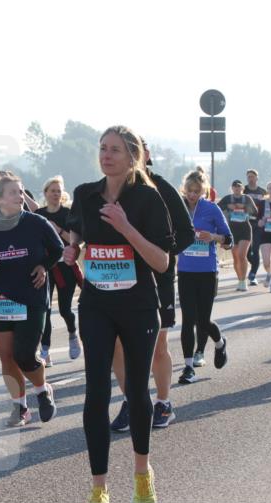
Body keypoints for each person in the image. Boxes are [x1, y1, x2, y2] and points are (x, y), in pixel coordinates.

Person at [63, 125, 173, 503]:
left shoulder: (147, 198)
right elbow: (77, 231)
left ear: (132, 157)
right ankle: (99, 491)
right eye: (102, 148)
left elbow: (161, 262)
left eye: (114, 150)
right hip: (96, 304)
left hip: (138, 306)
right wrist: (73, 248)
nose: (106, 156)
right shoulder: (85, 194)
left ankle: (142, 476)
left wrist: (126, 227)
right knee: (95, 392)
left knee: (137, 392)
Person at [0, 174, 63, 425]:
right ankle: (20, 407)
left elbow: (58, 249)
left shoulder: (37, 223)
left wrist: (43, 265)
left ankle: (42, 390)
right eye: (13, 193)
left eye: (21, 192)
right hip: (0, 300)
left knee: (25, 355)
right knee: (7, 357)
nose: (20, 197)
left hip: (32, 297)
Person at [110, 140, 194, 431]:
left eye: (136, 149)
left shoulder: (161, 187)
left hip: (158, 277)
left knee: (158, 345)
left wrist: (160, 255)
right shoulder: (113, 188)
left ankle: (163, 403)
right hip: (122, 277)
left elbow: (187, 233)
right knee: (118, 345)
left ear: (146, 155)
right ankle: (131, 401)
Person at [175, 168, 232, 385]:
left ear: (203, 191)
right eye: (189, 190)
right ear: (184, 189)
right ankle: (188, 367)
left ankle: (219, 342)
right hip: (185, 271)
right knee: (188, 319)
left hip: (207, 271)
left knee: (202, 320)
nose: (192, 195)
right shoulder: (178, 208)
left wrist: (214, 236)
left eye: (196, 191)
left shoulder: (211, 209)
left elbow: (229, 240)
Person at [36, 175, 82, 367]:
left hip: (65, 267)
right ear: (45, 193)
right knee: (45, 310)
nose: (55, 194)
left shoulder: (68, 214)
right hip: (46, 267)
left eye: (58, 191)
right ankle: (45, 351)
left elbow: (76, 241)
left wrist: (58, 229)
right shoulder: (38, 214)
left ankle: (72, 334)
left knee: (64, 309)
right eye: (52, 190)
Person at [218, 179, 259, 291]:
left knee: (241, 255)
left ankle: (244, 281)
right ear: (232, 188)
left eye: (239, 186)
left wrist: (244, 207)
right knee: (235, 257)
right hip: (232, 230)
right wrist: (228, 206)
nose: (237, 188)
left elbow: (255, 211)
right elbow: (217, 207)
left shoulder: (247, 198)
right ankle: (240, 279)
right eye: (235, 186)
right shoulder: (227, 198)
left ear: (242, 188)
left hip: (245, 229)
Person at [243, 169, 268, 285]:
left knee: (255, 248)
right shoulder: (243, 190)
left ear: (257, 178)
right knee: (247, 251)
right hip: (245, 223)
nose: (250, 179)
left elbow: (267, 207)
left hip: (258, 224)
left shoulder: (263, 192)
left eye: (252, 176)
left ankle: (253, 274)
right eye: (248, 177)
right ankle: (254, 265)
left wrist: (264, 219)